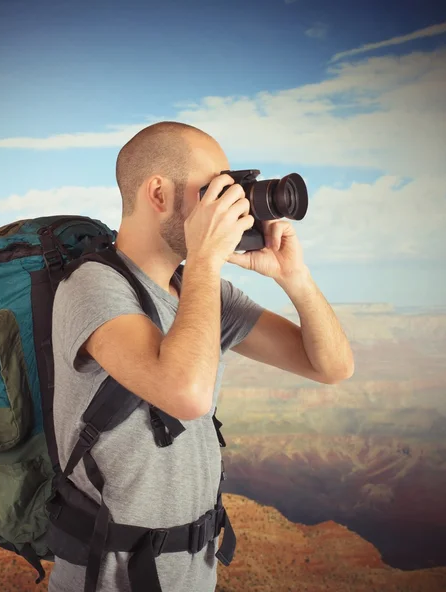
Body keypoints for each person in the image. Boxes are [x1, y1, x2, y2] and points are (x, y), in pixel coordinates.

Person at [48, 121, 354, 592]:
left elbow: (331, 366)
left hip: (193, 575)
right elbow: (187, 396)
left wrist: (294, 277)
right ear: (158, 194)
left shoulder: (197, 291)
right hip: (112, 581)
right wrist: (207, 260)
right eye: (215, 190)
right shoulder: (92, 286)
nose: (230, 205)